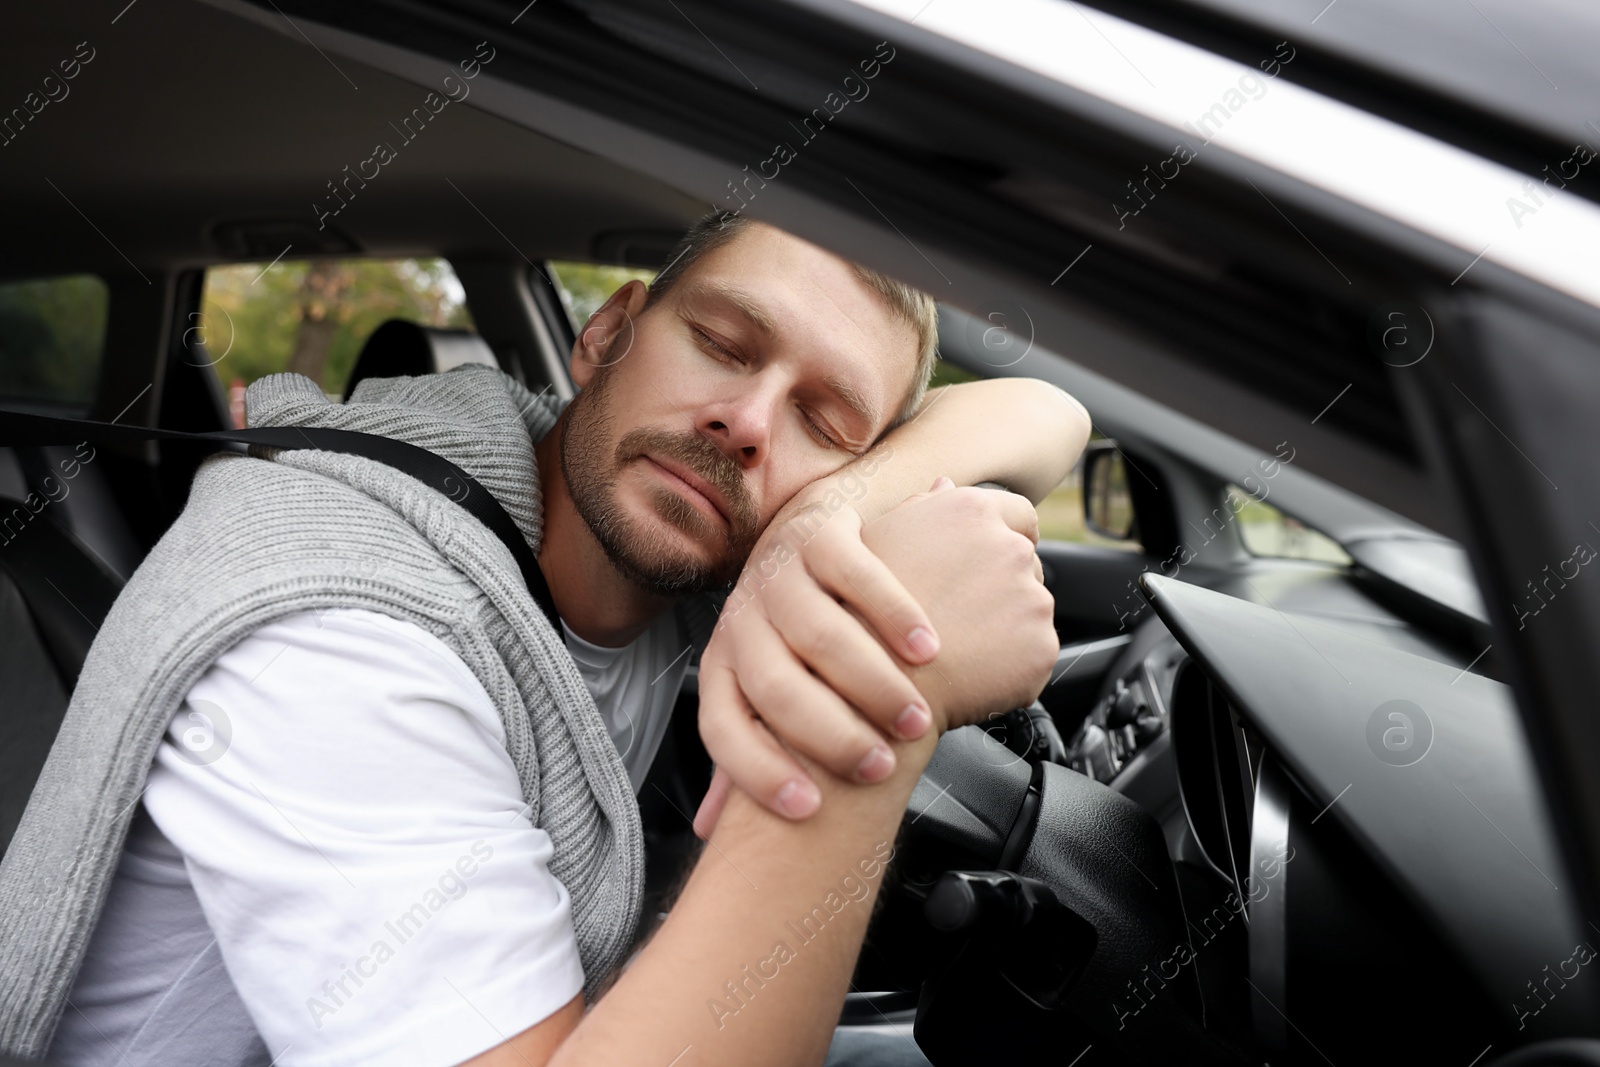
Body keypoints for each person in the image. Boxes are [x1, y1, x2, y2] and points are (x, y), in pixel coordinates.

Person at [12, 213, 1088, 1066]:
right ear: (607, 331)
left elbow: (1048, 413)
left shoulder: (685, 556)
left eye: (827, 423)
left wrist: (815, 526)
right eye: (720, 341)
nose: (748, 423)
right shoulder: (340, 630)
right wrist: (873, 692)